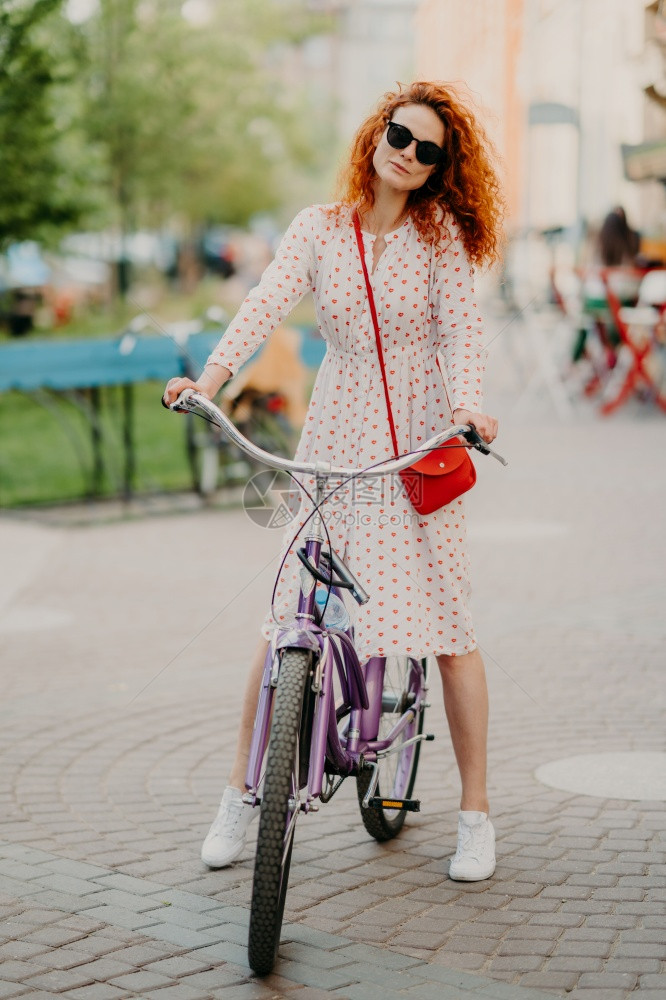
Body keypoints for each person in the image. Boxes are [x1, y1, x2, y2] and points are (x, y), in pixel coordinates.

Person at [163, 81, 504, 882]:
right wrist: (209, 380)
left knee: (449, 632)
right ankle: (241, 795)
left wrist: (469, 408)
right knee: (284, 617)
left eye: (428, 150)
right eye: (400, 135)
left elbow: (464, 332)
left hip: (418, 444)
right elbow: (263, 305)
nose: (409, 153)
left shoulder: (442, 237)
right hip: (336, 432)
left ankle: (477, 815)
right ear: (376, 133)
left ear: (440, 168)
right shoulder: (318, 229)